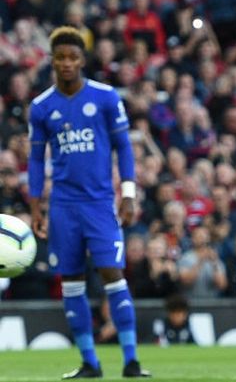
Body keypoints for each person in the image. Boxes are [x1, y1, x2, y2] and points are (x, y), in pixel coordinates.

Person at [28, 26, 150, 378]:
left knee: (113, 275)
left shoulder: (107, 97)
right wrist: (37, 206)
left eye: (72, 57)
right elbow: (36, 161)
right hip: (63, 207)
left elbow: (124, 147)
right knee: (71, 283)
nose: (66, 63)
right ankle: (89, 363)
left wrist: (127, 193)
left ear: (82, 60)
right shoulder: (41, 107)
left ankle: (131, 361)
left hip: (99, 204)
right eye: (60, 57)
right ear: (52, 61)